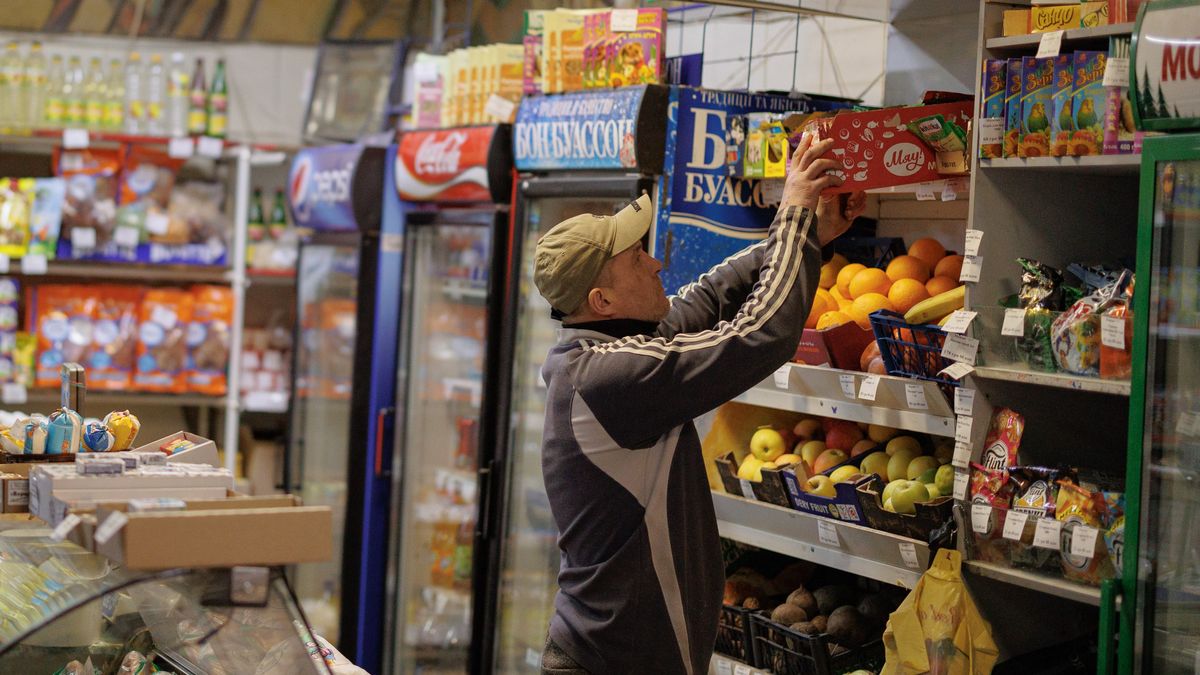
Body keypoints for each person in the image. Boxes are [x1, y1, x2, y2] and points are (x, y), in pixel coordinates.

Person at [531, 133, 867, 675]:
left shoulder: (605, 353)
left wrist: (810, 233)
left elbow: (707, 298)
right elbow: (760, 336)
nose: (659, 263)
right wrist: (794, 215)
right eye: (638, 259)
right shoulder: (609, 377)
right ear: (603, 301)